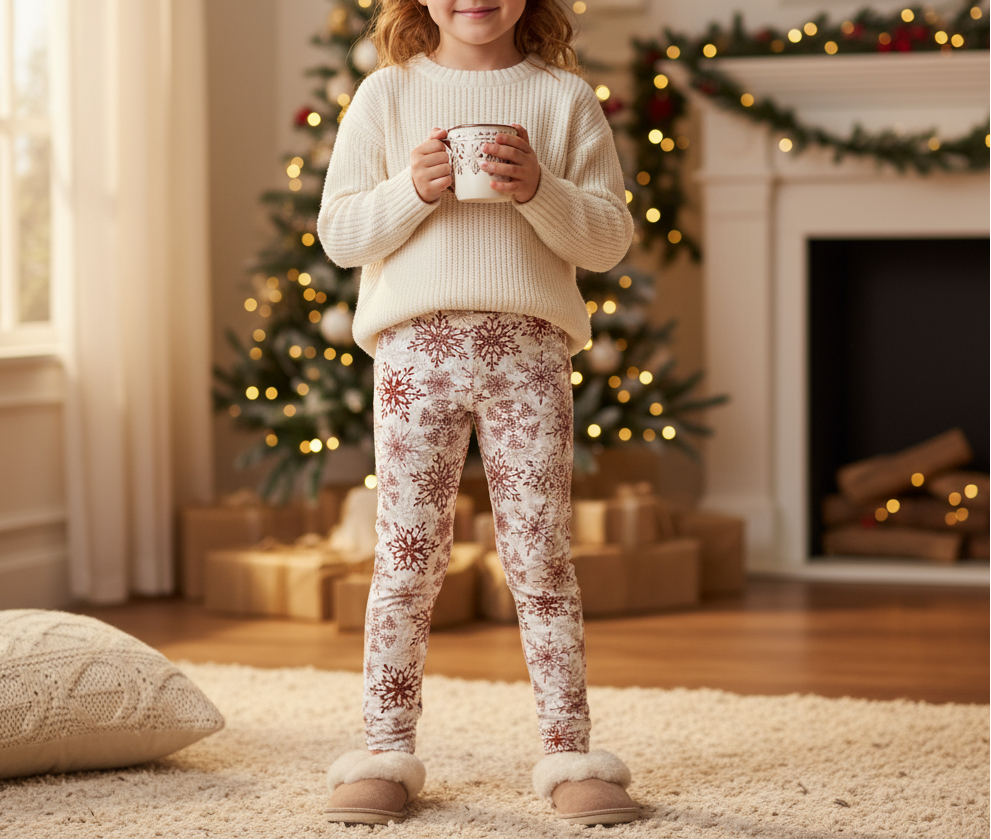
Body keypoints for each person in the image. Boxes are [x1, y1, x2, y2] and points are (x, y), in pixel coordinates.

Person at [317, 0, 637, 825]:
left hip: (529, 353)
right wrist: (409, 192)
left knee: (539, 556)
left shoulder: (565, 100)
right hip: (413, 356)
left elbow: (606, 240)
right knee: (406, 557)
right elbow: (341, 233)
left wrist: (539, 190)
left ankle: (569, 755)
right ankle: (384, 750)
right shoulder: (384, 95)